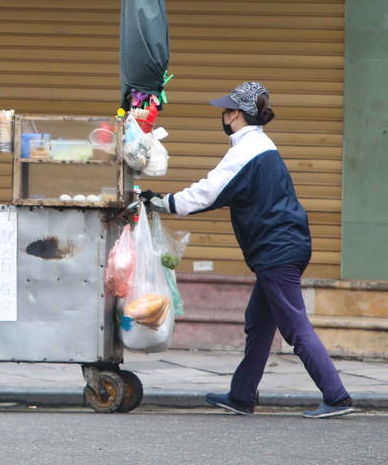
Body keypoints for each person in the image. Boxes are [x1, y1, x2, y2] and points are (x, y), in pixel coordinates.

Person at [140, 81, 354, 419]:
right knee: (258, 320)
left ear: (237, 114)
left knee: (295, 328)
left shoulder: (247, 151)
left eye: (226, 110)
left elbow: (209, 192)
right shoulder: (259, 145)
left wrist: (163, 203)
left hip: (277, 250)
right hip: (284, 245)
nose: (223, 116)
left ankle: (337, 396)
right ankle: (241, 395)